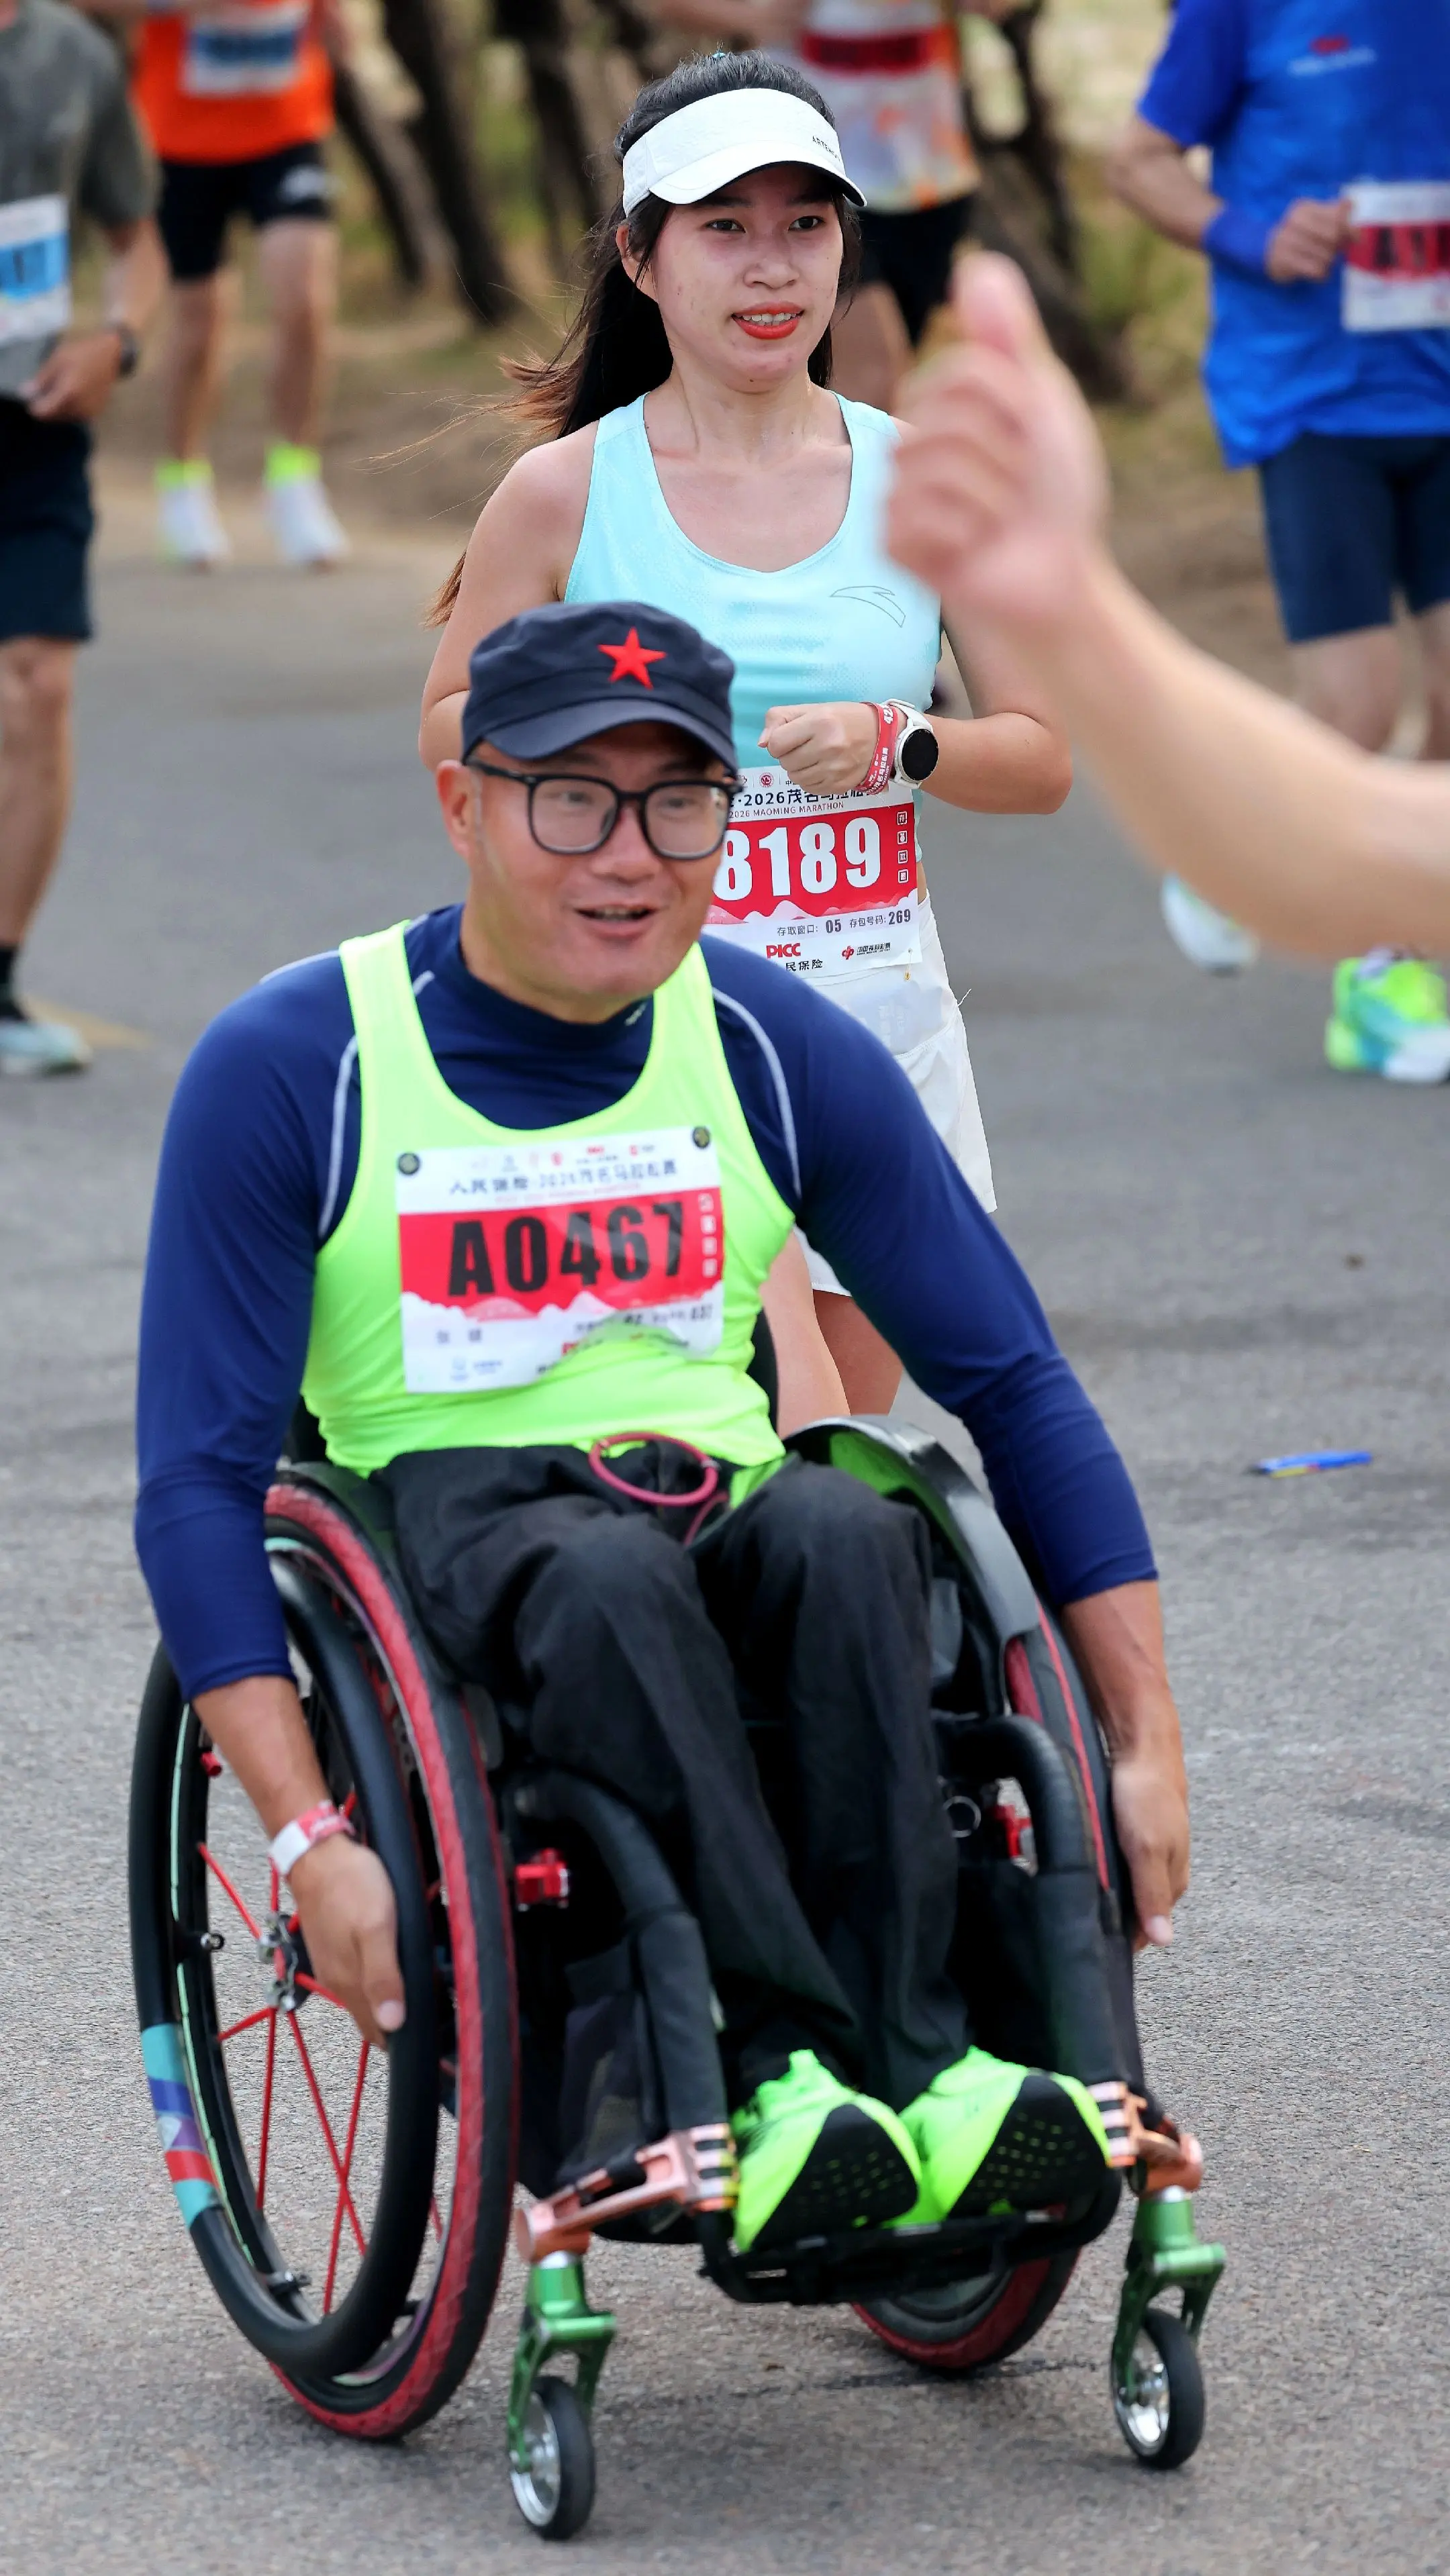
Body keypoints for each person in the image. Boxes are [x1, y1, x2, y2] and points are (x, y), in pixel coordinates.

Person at [135, 597, 1190, 2252]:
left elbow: (1012, 1383)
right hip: (454, 1528)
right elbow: (197, 1482)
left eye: (676, 802)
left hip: (717, 1491)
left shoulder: (769, 1042)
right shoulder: (300, 1061)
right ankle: (769, 2071)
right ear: (463, 801)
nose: (625, 855)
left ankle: (926, 2070)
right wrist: (307, 1832)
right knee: (604, 1583)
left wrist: (1142, 1746)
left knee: (859, 1532)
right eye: (571, 796)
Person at [420, 50, 1071, 1418]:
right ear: (644, 260)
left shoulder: (926, 482)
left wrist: (905, 738)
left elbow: (1044, 756)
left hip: (882, 1032)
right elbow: (449, 724)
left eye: (806, 225)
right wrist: (617, 743)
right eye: (727, 228)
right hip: (660, 1021)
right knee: (803, 1419)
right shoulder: (563, 493)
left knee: (849, 1433)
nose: (772, 268)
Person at [885, 251, 1450, 964]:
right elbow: (1357, 851)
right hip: (1321, 412)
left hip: (1427, 406)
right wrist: (1074, 609)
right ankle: (1244, 884)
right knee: (1357, 701)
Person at [1108, 0, 1450, 1080]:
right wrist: (1251, 233)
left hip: (1441, 395)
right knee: (1354, 697)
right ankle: (1231, 851)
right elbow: (1140, 160)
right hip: (1313, 400)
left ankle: (1393, 954)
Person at [0, 0, 162, 1075]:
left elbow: (135, 241)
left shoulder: (73, 54)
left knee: (37, 685)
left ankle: (1, 982)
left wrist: (119, 339)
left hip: (32, 421)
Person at [87, 0, 348, 568]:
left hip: (288, 131)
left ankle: (293, 478)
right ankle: (183, 481)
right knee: (200, 323)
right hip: (179, 144)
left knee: (304, 298)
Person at [650, 4, 1012, 410]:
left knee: (864, 381)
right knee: (872, 371)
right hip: (814, 174)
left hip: (927, 181)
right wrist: (754, 16)